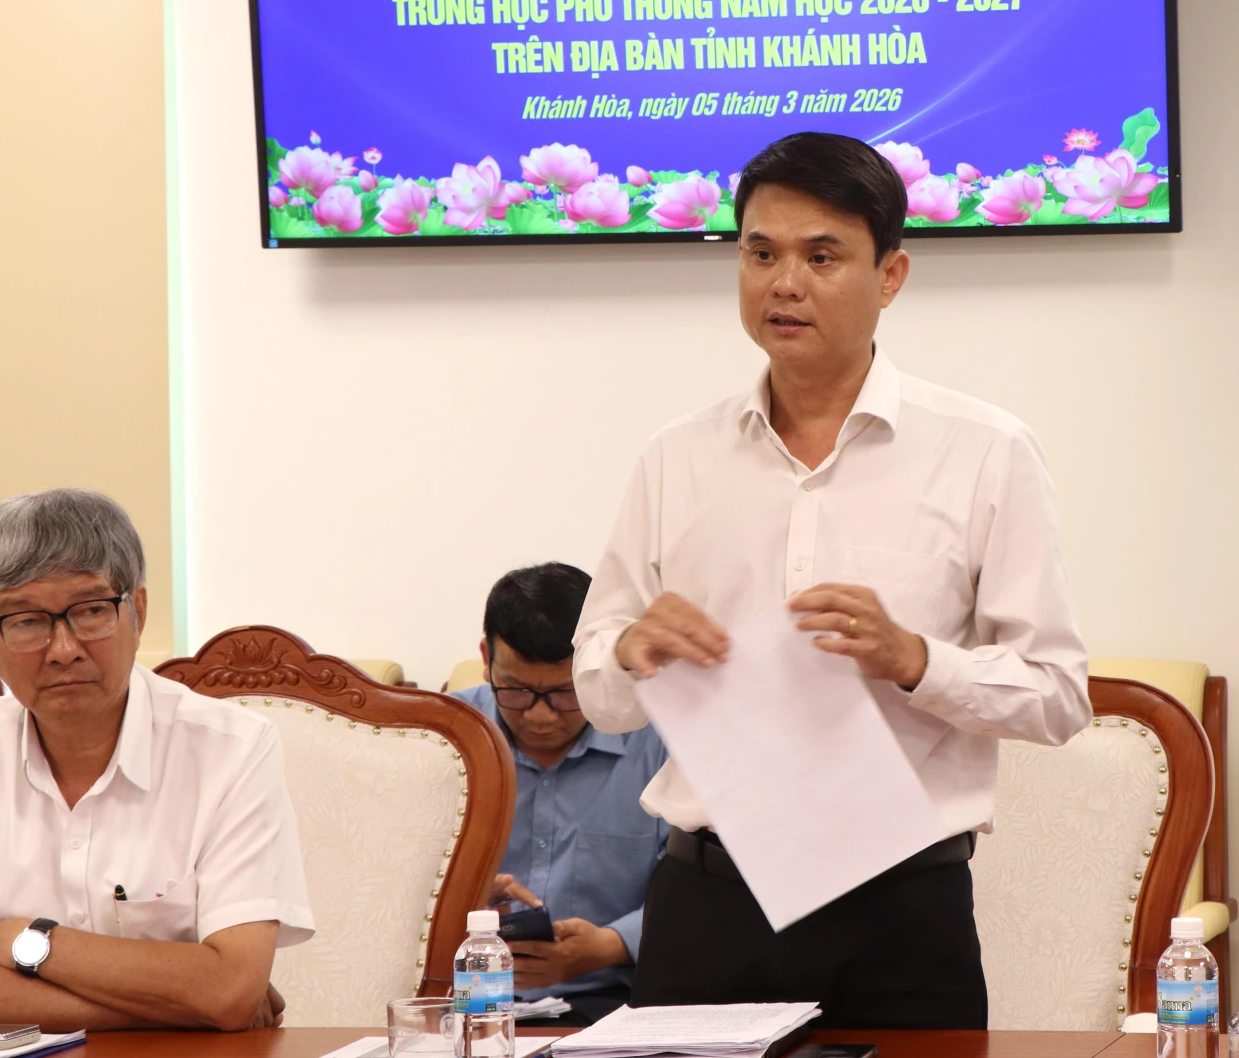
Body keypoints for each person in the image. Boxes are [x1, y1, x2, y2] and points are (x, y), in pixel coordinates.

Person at [572, 131, 1091, 1029]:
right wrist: (627, 650)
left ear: (891, 275)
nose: (785, 283)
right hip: (706, 903)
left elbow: (1057, 696)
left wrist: (915, 660)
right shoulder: (676, 457)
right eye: (761, 254)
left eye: (821, 256)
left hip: (902, 914)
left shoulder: (985, 452)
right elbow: (601, 697)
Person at [0, 489, 313, 1031]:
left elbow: (230, 988)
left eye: (91, 611)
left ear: (137, 611)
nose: (64, 649)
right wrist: (176, 1007)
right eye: (26, 621)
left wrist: (20, 940)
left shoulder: (232, 749)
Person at [451, 562, 668, 1024]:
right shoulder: (443, 739)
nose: (540, 716)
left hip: (617, 1002)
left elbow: (702, 889)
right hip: (465, 1003)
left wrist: (612, 944)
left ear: (597, 664)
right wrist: (455, 895)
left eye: (567, 693)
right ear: (487, 658)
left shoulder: (662, 742)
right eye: (515, 691)